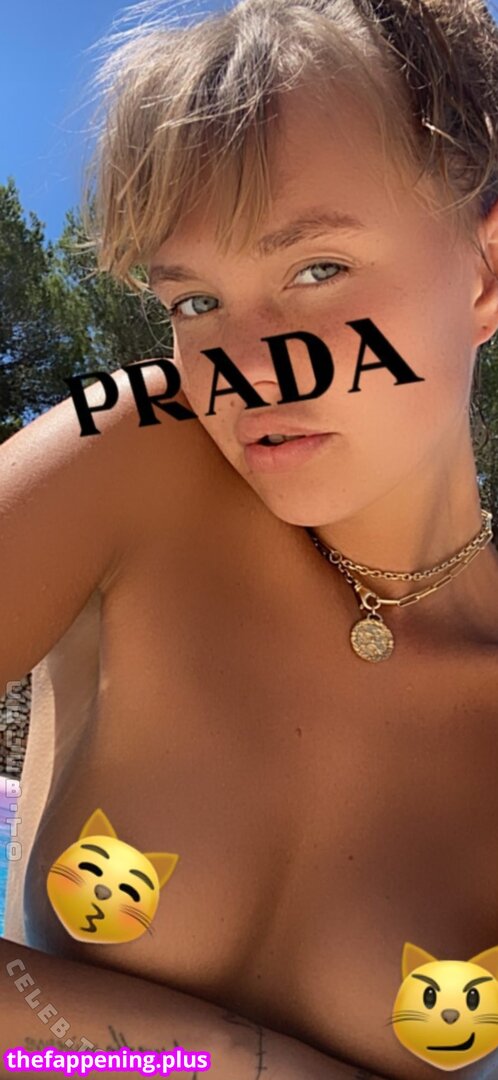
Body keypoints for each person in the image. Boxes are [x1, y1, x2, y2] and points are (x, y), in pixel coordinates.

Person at [1, 0, 498, 1076]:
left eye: (316, 269)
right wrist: (233, 1059)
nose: (247, 371)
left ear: (484, 273)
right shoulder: (136, 450)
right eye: (193, 303)